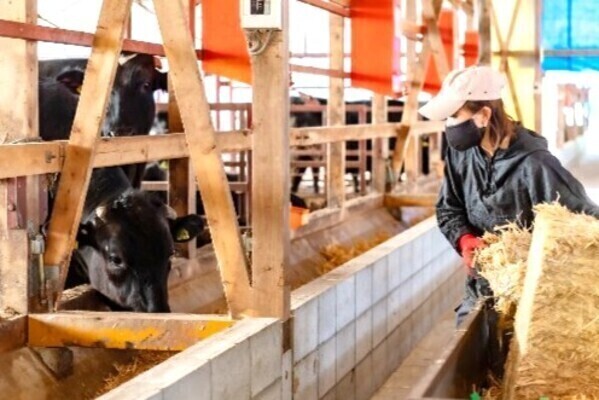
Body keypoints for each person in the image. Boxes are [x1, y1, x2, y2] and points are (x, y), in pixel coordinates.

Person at [418, 65, 599, 377]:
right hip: (481, 287)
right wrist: (464, 239)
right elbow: (448, 208)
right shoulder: (463, 155)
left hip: (527, 297)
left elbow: (583, 221)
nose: (449, 126)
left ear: (483, 115)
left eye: (455, 116)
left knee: (520, 371)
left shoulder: (535, 164)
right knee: (470, 366)